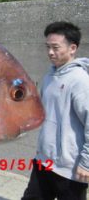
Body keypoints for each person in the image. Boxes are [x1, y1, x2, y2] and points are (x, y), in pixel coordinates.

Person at [22, 21, 89, 200]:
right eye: (48, 47)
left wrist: (86, 163)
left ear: (72, 48)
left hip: (71, 168)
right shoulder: (49, 76)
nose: (50, 52)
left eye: (55, 47)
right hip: (44, 161)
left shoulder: (80, 80)